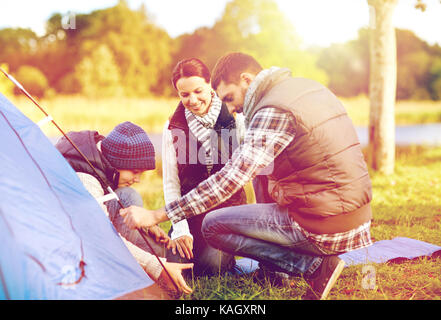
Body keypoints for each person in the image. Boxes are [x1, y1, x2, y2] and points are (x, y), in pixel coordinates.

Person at [120, 52, 373, 300]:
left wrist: (156, 215)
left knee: (214, 234)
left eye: (228, 97)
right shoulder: (307, 88)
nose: (232, 108)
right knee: (202, 259)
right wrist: (180, 227)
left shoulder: (270, 111)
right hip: (357, 219)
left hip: (325, 224)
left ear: (247, 80)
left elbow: (233, 179)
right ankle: (291, 262)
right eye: (184, 94)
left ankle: (314, 267)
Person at [55, 121, 193, 295]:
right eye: (135, 171)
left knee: (128, 195)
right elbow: (102, 237)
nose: (138, 179)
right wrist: (157, 267)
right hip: (76, 243)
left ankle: (146, 261)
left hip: (90, 224)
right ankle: (123, 270)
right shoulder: (86, 180)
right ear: (116, 161)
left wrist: (148, 225)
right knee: (159, 265)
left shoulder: (99, 158)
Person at [162, 58, 247, 276]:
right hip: (189, 213)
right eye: (184, 94)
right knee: (179, 267)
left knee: (212, 267)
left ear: (210, 85)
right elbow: (172, 183)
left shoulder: (235, 119)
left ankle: (224, 255)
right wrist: (180, 229)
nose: (192, 100)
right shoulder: (173, 126)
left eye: (198, 90)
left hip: (224, 215)